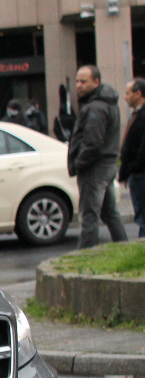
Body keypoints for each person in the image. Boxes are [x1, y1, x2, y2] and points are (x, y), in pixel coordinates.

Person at [68, 65, 128, 249]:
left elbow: (92, 143)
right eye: (77, 81)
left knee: (89, 216)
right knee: (110, 214)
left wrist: (79, 164)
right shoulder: (106, 103)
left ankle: (85, 256)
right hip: (105, 166)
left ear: (96, 82)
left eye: (83, 81)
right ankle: (124, 248)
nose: (79, 85)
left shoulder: (96, 107)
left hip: (94, 168)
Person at [120, 78, 145, 238]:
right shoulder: (136, 114)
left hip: (140, 173)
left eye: (128, 93)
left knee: (142, 214)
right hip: (136, 173)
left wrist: (134, 169)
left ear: (138, 93)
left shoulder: (142, 115)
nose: (125, 97)